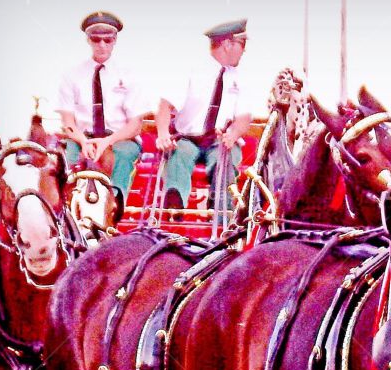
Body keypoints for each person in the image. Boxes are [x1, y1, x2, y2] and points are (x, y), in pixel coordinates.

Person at [155, 19, 258, 210]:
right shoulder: (191, 69)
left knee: (226, 156)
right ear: (227, 44)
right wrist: (163, 135)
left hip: (220, 140)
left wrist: (233, 135)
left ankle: (221, 210)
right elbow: (165, 106)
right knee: (178, 154)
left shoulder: (242, 77)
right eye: (242, 44)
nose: (244, 50)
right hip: (188, 137)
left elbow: (243, 119)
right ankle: (174, 207)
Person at [55, 12, 148, 218]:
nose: (102, 45)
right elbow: (68, 121)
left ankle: (114, 208)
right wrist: (82, 140)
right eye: (96, 39)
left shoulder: (129, 75)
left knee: (122, 157)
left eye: (108, 40)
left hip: (119, 138)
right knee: (65, 163)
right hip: (81, 137)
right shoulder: (72, 75)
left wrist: (107, 141)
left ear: (115, 41)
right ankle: (64, 214)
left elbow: (135, 125)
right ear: (88, 40)